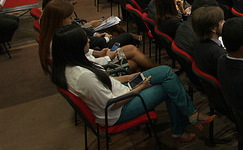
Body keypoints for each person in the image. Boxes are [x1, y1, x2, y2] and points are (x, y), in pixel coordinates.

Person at [51, 24, 213, 142]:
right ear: (75, 47)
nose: (88, 40)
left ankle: (190, 115)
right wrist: (140, 88)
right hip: (119, 110)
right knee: (168, 86)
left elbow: (104, 81)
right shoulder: (83, 76)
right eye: (84, 39)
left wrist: (128, 78)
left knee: (165, 71)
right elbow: (111, 104)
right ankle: (184, 122)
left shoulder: (72, 65)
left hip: (122, 90)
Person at [39, 0, 156, 74]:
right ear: (58, 20)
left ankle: (156, 69)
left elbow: (82, 52)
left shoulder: (55, 34)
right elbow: (84, 65)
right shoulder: (61, 40)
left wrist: (98, 53)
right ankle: (155, 73)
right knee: (132, 64)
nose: (73, 20)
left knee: (131, 49)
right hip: (94, 70)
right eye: (70, 18)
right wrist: (107, 58)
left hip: (95, 60)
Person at [191, 5, 226, 77]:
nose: (225, 22)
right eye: (222, 22)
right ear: (213, 29)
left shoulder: (197, 41)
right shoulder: (220, 54)